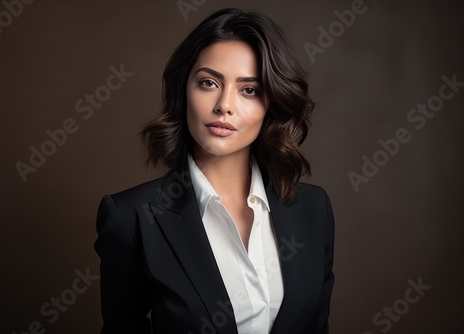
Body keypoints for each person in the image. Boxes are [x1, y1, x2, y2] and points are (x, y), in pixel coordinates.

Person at [94, 7, 335, 334]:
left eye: (249, 89)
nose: (225, 104)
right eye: (208, 83)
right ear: (184, 90)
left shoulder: (313, 209)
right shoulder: (132, 217)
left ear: (272, 104)